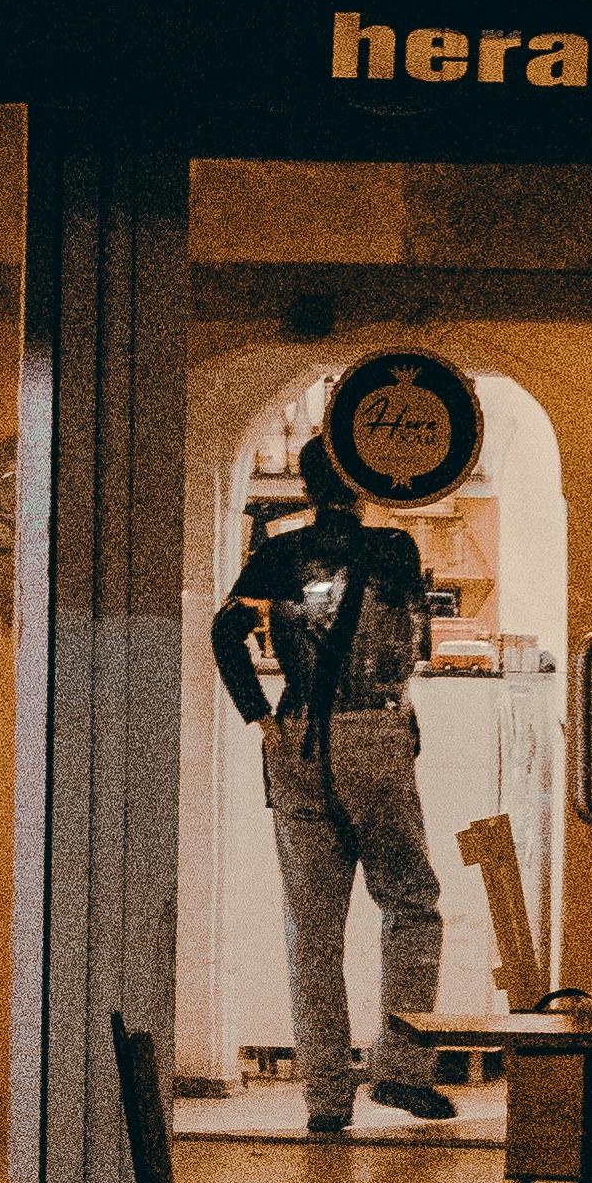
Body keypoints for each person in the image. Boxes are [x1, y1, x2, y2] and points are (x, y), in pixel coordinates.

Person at [212, 429, 455, 1136]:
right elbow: (416, 637)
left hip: (296, 740)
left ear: (309, 484)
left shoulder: (277, 553)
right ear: (364, 477)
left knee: (312, 929)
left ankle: (325, 1098)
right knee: (410, 902)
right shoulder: (396, 550)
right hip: (376, 730)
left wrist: (262, 717)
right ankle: (401, 1069)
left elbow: (226, 634)